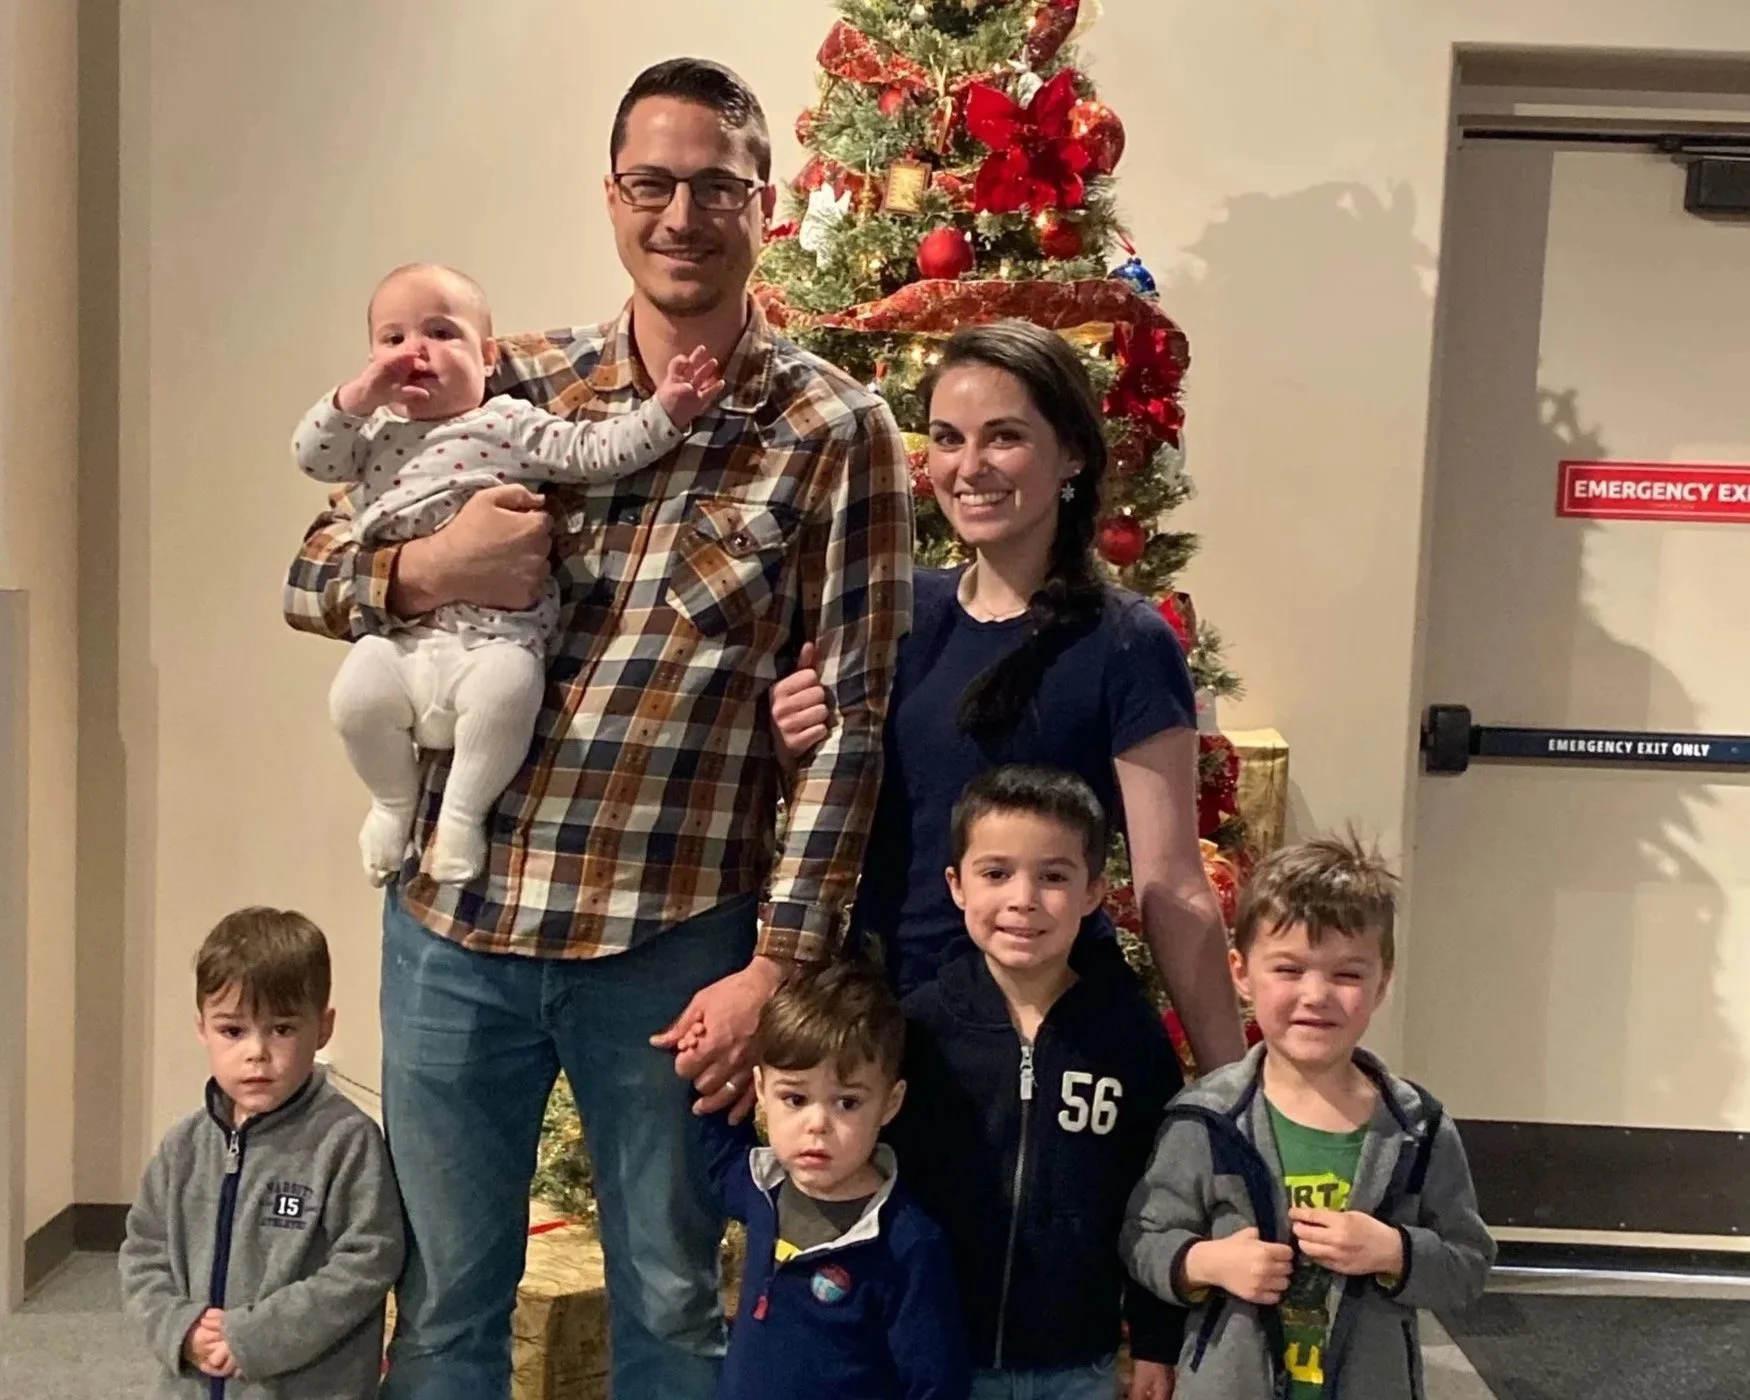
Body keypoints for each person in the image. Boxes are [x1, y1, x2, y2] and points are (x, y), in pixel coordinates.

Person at [281, 57, 911, 1400]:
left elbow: (850, 726)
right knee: (443, 1307)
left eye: (715, 187)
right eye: (651, 183)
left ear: (765, 203)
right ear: (611, 196)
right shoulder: (511, 381)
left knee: (673, 1309)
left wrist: (776, 967)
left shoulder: (833, 430)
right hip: (457, 925)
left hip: (672, 946)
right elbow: (311, 571)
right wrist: (430, 570)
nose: (681, 216)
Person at [770, 318, 1244, 1072]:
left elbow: (1172, 883)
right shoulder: (898, 615)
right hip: (889, 1032)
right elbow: (839, 814)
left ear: (1072, 453)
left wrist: (1230, 1089)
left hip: (1050, 1041)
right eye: (947, 439)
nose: (969, 466)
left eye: (1004, 437)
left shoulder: (1126, 641)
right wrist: (793, 743)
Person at [294, 262, 724, 885]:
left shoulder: (505, 422)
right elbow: (312, 457)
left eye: (441, 332)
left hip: (493, 638)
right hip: (401, 638)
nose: (416, 351)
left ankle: (461, 817)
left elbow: (594, 451)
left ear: (488, 356)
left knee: (508, 692)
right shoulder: (373, 436)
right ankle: (391, 803)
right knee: (355, 698)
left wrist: (666, 410)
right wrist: (356, 398)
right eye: (393, 339)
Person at [1120, 834, 1495, 1399]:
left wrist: (1395, 1251)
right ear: (1241, 972)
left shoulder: (1418, 1129)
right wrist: (1206, 1262)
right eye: (1289, 969)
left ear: (1382, 982)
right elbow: (1143, 1237)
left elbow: (1468, 1264)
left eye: (1347, 975)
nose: (1316, 995)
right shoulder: (1205, 1121)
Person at [889, 765, 1183, 1400]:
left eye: (1053, 876)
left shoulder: (1128, 1037)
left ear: (1093, 890)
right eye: (996, 873)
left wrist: (1157, 1342)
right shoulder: (919, 1030)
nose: (1023, 899)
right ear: (956, 885)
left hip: (1078, 1363)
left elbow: (1159, 1197)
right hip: (939, 1358)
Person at [118, 908, 404, 1399]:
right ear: (202, 1029)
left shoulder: (346, 1141)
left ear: (323, 1028)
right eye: (233, 1031)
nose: (257, 1052)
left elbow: (368, 1260)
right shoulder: (182, 1148)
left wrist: (257, 1335)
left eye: (282, 1029)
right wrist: (180, 1328)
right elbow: (144, 1252)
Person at [698, 960, 970, 1400]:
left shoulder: (908, 1244)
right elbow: (715, 1142)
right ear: (761, 1090)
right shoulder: (760, 1187)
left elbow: (936, 1383)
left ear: (890, 1103)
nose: (817, 1124)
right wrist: (702, 1057)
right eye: (795, 1098)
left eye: (847, 1103)